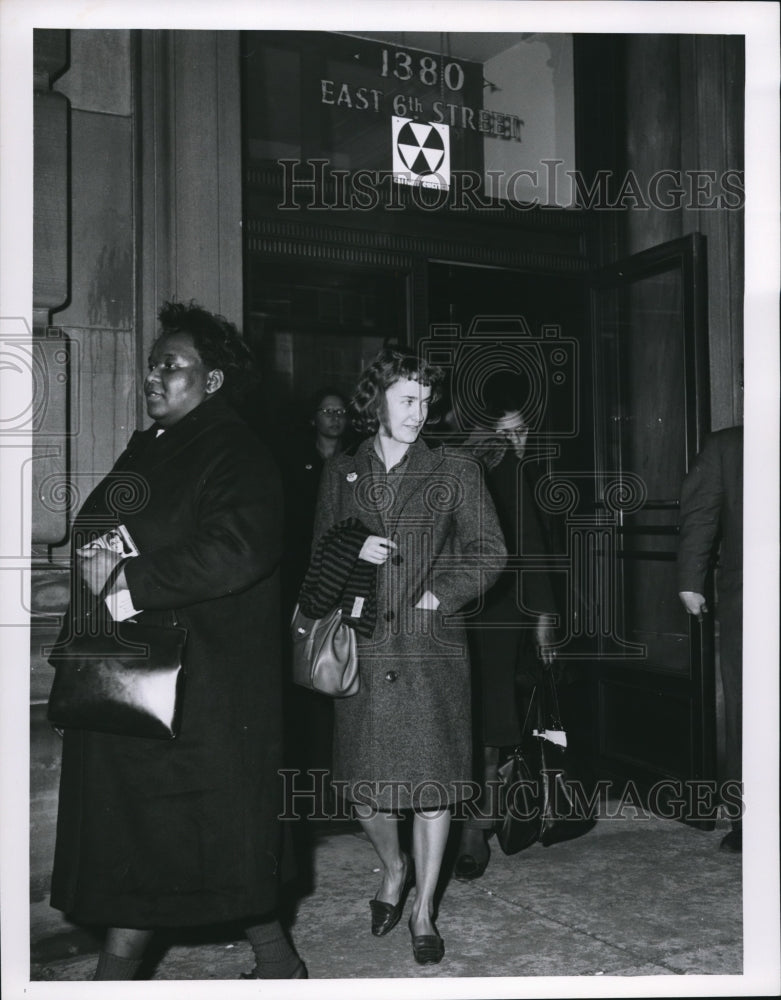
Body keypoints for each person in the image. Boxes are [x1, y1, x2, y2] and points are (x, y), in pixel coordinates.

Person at [49, 301, 305, 980]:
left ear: (212, 380)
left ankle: (125, 972)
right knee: (160, 839)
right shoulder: (157, 446)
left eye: (172, 364)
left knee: (170, 837)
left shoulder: (235, 450)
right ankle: (276, 961)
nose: (153, 376)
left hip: (199, 687)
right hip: (139, 674)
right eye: (152, 363)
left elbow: (239, 547)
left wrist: (129, 579)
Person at [310, 347, 506, 965]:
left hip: (430, 651)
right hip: (364, 648)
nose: (420, 413)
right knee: (366, 792)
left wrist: (436, 595)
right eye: (406, 400)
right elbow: (317, 561)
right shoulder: (342, 471)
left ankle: (423, 908)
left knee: (433, 790)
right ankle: (392, 869)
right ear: (375, 403)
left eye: (426, 402)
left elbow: (490, 552)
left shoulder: (456, 469)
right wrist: (352, 553)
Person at [454, 374, 558, 879]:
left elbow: (532, 548)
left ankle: (477, 826)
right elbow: (535, 552)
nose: (518, 441)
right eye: (509, 432)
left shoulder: (479, 463)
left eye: (523, 432)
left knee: (489, 720)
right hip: (472, 610)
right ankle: (469, 824)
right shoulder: (475, 465)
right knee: (480, 719)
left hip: (490, 612)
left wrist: (540, 618)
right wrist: (542, 620)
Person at [677, 426, 743, 853]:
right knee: (746, 707)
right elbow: (701, 513)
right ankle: (747, 818)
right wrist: (690, 580)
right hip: (752, 599)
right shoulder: (728, 447)